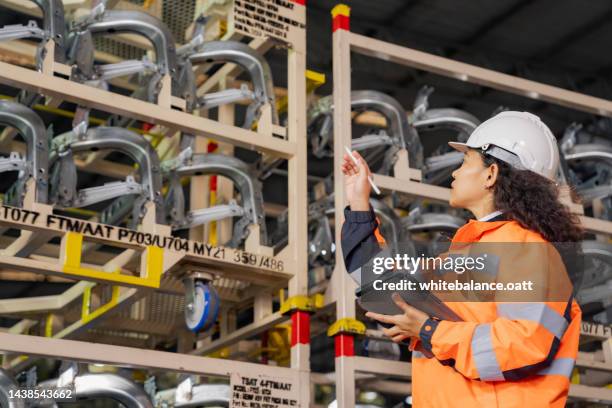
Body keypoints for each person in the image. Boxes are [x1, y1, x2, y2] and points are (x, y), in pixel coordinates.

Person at [341, 111, 583, 407]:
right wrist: (358, 201)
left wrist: (429, 331)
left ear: (491, 174)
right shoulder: (461, 259)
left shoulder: (528, 250)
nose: (454, 173)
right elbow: (375, 280)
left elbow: (524, 346)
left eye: (465, 162)